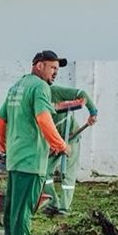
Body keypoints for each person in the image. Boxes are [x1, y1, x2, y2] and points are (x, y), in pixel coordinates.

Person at [0, 50, 70, 235]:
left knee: (14, 207)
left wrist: (5, 148)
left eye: (57, 69)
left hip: (16, 157)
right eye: (52, 67)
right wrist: (60, 145)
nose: (55, 73)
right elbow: (44, 118)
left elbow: (0, 120)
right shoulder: (40, 87)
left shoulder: (17, 86)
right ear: (39, 66)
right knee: (25, 207)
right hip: (31, 159)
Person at [41, 74, 98, 216]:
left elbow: (81, 94)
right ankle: (53, 203)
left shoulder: (55, 91)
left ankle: (64, 208)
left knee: (68, 174)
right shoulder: (34, 102)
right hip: (54, 141)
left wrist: (93, 112)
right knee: (44, 172)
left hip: (71, 137)